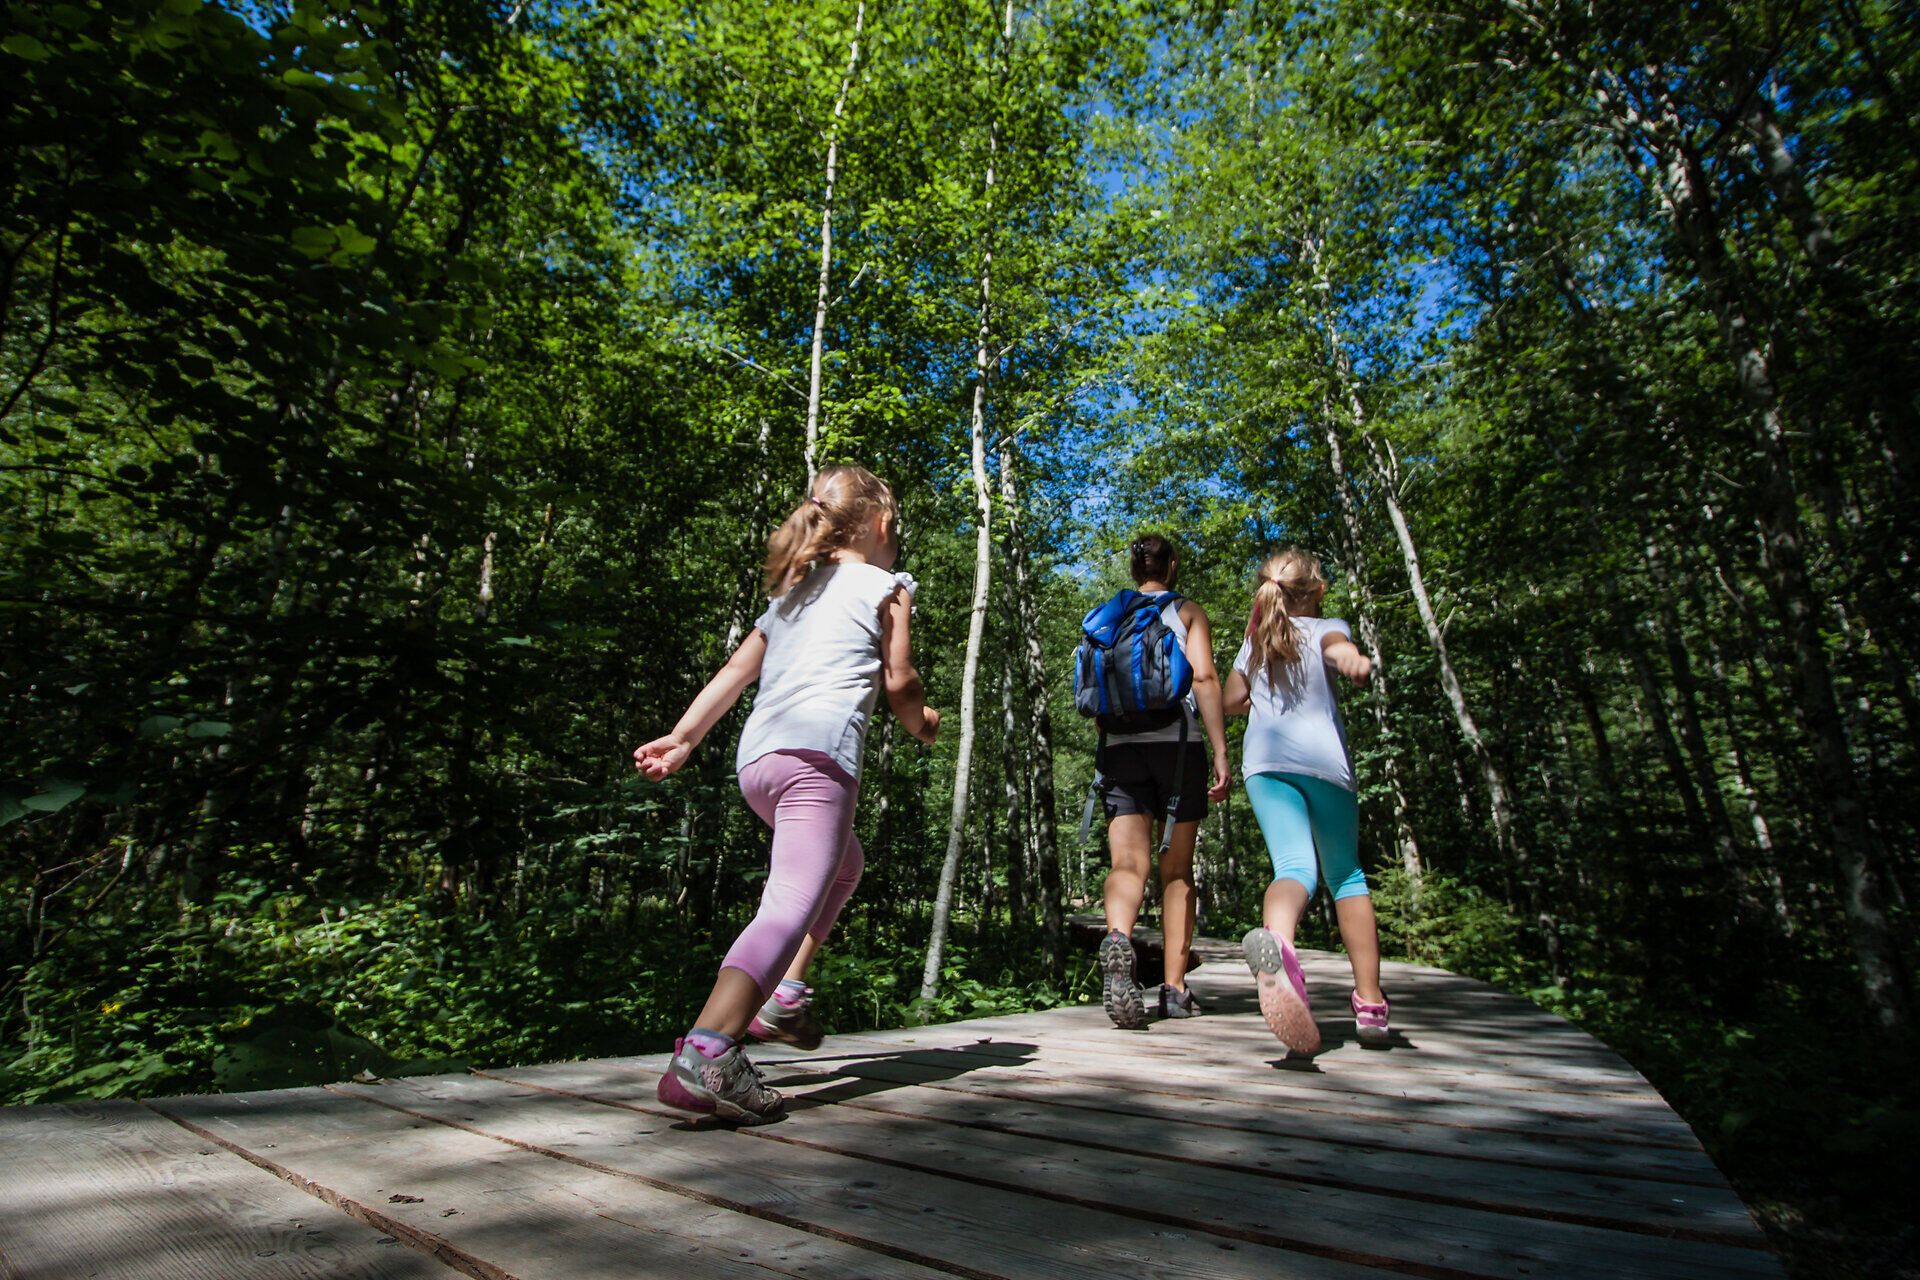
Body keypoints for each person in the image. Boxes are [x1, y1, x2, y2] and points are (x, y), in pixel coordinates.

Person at [633, 465, 939, 1123]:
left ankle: (787, 994)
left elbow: (735, 673)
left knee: (842, 865)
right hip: (817, 761)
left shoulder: (794, 595)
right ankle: (711, 1049)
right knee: (788, 904)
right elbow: (901, 681)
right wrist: (924, 723)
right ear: (883, 526)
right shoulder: (887, 587)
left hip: (761, 761)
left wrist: (683, 739)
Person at [1223, 548, 1387, 1054]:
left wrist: (1258, 684)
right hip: (1324, 765)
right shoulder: (1326, 627)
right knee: (1346, 875)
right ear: (1316, 591)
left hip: (1265, 764)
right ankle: (1370, 1004)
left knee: (1293, 868)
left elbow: (1231, 701)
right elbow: (1338, 650)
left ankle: (1281, 944)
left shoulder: (1255, 642)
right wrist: (1352, 661)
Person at [1095, 533, 1231, 1028]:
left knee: (1128, 864)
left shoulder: (1110, 614)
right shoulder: (1186, 611)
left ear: (1135, 570)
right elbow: (1205, 679)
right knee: (1177, 871)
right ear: (1171, 566)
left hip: (1120, 748)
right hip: (1178, 747)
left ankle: (1116, 936)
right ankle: (1173, 988)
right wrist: (1219, 750)